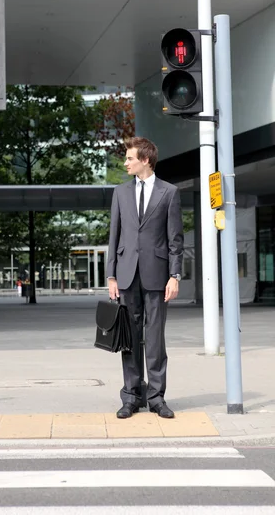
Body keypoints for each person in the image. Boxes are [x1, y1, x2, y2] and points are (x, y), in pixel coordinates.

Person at [107, 137, 184, 420]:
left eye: (129, 158)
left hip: (157, 275)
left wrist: (174, 276)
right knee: (129, 339)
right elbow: (113, 236)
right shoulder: (120, 193)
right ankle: (131, 397)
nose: (125, 163)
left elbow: (176, 240)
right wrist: (111, 274)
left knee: (154, 340)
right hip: (127, 275)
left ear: (145, 160)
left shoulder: (169, 192)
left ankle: (157, 398)